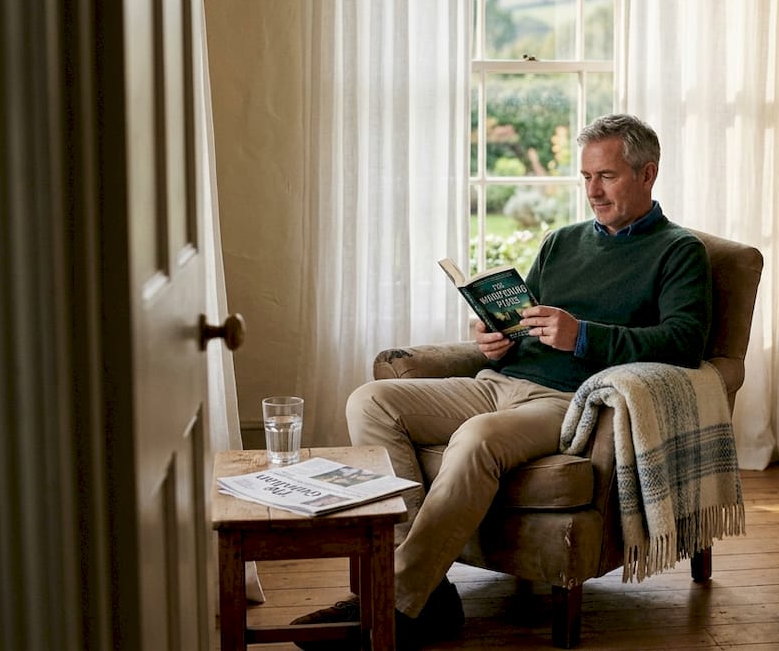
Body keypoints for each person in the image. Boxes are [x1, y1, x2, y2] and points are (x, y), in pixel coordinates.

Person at [292, 113, 713, 650]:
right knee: (372, 401)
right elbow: (526, 318)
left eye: (605, 176)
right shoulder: (562, 242)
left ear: (647, 173)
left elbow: (683, 344)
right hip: (500, 379)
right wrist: (497, 336)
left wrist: (582, 336)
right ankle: (429, 590)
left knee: (477, 438)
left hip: (573, 401)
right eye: (585, 177)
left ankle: (393, 600)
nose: (592, 191)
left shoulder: (679, 251)